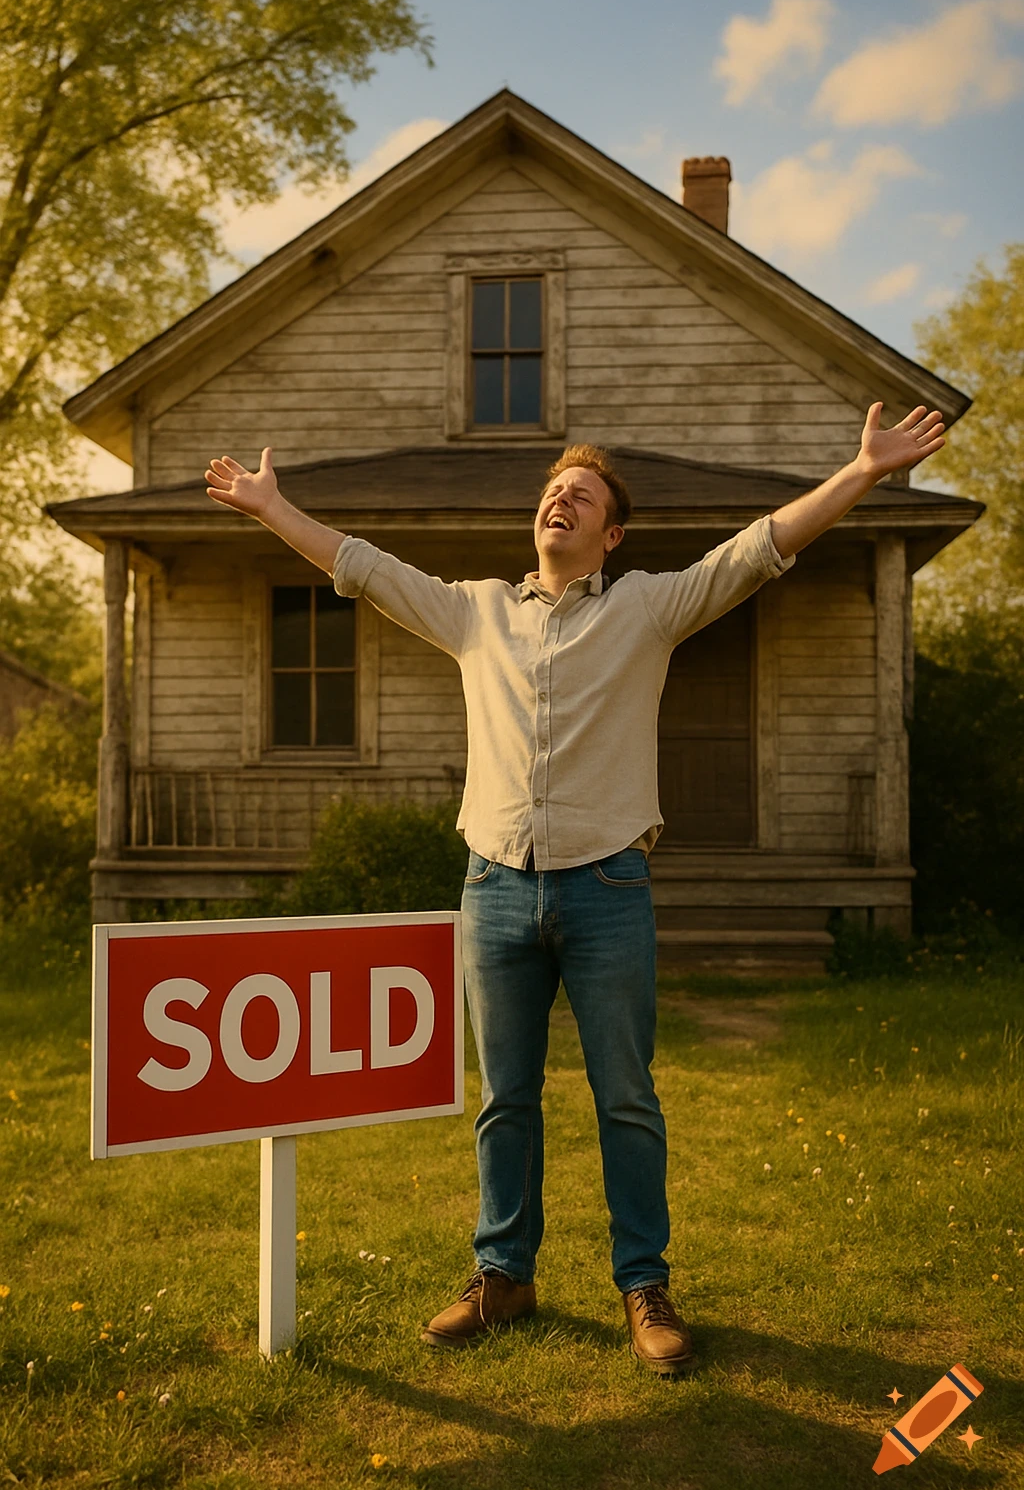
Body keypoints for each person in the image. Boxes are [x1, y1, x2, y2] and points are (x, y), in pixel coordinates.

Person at [205, 401, 945, 1375]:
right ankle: (503, 1275)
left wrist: (859, 474)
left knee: (625, 1097)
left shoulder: (646, 609)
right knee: (504, 1100)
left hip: (607, 888)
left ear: (611, 534)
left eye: (581, 495)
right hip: (496, 890)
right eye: (553, 490)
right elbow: (365, 568)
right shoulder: (477, 612)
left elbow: (757, 549)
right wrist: (272, 511)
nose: (560, 499)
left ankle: (644, 1284)